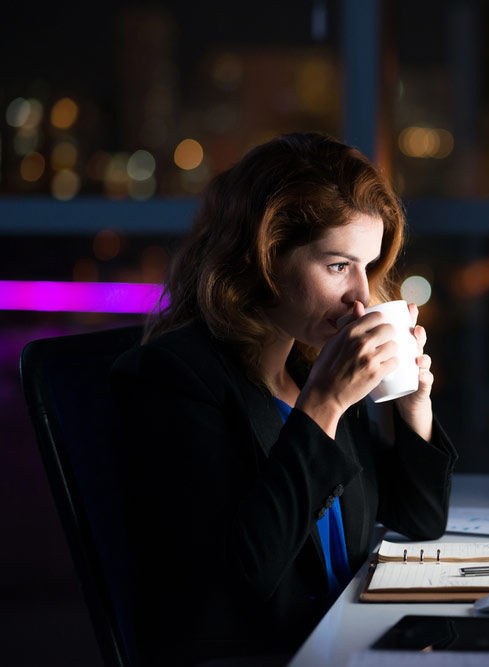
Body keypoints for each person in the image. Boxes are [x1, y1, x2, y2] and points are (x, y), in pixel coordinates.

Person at [112, 133, 457, 665]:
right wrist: (322, 405)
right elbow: (238, 582)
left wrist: (413, 406)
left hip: (347, 642)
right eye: (339, 266)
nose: (362, 296)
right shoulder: (176, 377)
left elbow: (420, 518)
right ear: (265, 257)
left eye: (368, 266)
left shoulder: (306, 366)